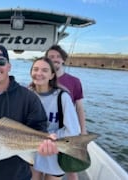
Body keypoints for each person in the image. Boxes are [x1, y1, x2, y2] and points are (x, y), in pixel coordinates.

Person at [0, 44, 58, 180]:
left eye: (1, 62)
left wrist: (46, 144)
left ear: (9, 66)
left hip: (20, 176)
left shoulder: (29, 98)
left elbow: (39, 130)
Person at [29, 57, 81, 180]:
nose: (39, 73)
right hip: (32, 151)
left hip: (55, 153)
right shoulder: (27, 94)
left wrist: (48, 137)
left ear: (52, 75)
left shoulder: (62, 97)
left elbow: (73, 131)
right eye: (35, 69)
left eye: (44, 70)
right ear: (31, 73)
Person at [45, 45, 86, 180]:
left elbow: (79, 107)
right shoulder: (42, 79)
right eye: (51, 57)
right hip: (47, 131)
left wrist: (83, 131)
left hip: (68, 130)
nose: (55, 59)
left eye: (58, 56)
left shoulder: (75, 81)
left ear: (63, 60)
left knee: (71, 168)